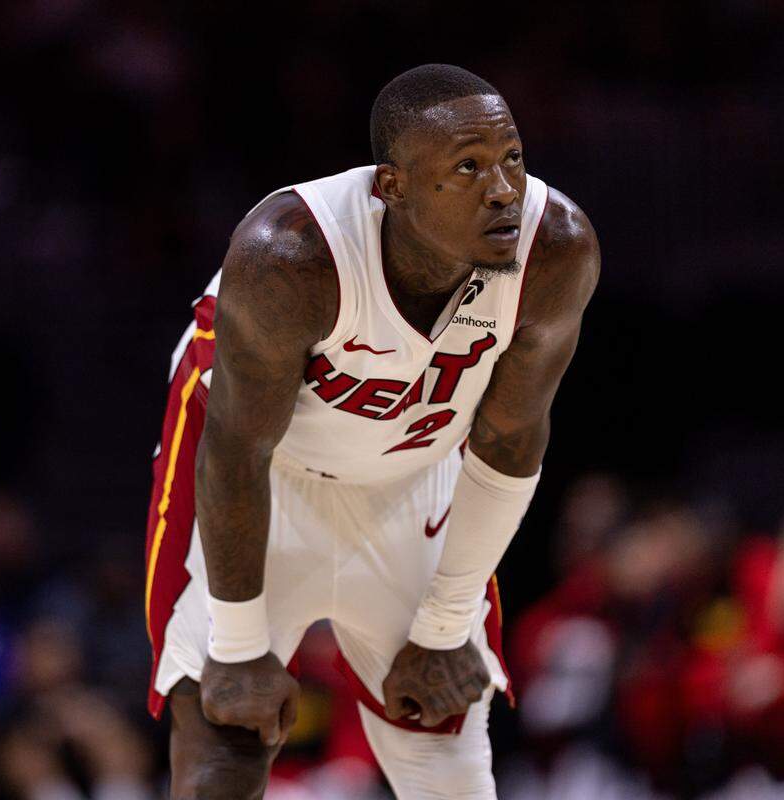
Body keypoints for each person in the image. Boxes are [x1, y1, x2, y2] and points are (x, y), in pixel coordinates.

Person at [144, 64, 600, 799]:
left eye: (512, 158)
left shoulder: (555, 248)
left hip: (412, 478)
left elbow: (510, 443)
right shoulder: (289, 254)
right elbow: (236, 449)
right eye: (469, 167)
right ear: (393, 187)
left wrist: (445, 626)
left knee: (451, 769)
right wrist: (238, 644)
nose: (503, 190)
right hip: (262, 481)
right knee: (226, 746)